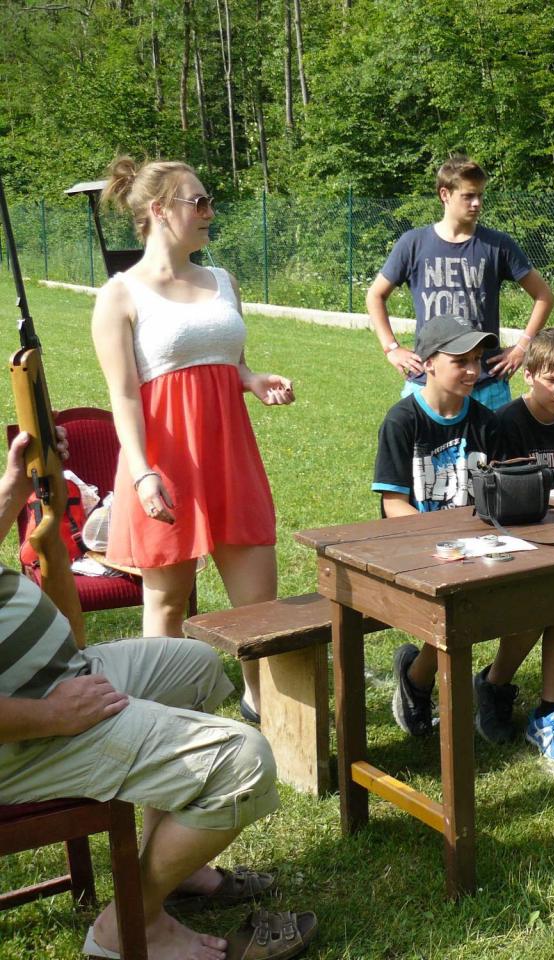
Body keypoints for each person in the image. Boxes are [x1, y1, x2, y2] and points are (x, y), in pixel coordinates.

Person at [0, 431, 317, 960]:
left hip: (56, 680)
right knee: (242, 761)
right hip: (25, 732)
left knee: (194, 667)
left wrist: (16, 487)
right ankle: (130, 925)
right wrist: (53, 714)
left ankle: (175, 867)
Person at [91, 156, 295, 725]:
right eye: (198, 202)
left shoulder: (222, 281)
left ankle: (263, 707)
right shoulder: (119, 296)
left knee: (260, 605)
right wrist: (142, 474)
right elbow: (124, 397)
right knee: (166, 602)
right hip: (164, 463)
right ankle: (160, 723)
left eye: (209, 202)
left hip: (230, 457)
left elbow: (232, 361)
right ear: (160, 210)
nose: (209, 212)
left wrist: (253, 380)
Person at [373, 313, 499, 737]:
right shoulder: (402, 420)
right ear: (427, 363)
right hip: (414, 544)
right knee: (462, 607)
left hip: (473, 544)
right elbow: (393, 505)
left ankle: (438, 678)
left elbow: (494, 494)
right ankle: (418, 680)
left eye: (477, 360)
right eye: (460, 361)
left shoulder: (486, 422)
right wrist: (447, 541)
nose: (473, 370)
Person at [476, 327, 554, 763]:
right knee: (540, 602)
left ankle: (549, 709)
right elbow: (496, 497)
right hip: (515, 539)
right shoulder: (505, 423)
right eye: (552, 379)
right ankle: (494, 684)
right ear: (527, 375)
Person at [366, 154, 554, 411]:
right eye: (468, 196)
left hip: (486, 385)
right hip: (427, 383)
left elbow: (544, 296)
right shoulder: (413, 244)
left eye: (480, 195)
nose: (477, 203)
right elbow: (375, 295)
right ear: (445, 194)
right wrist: (391, 348)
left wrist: (523, 346)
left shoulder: (498, 245)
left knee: (494, 441)